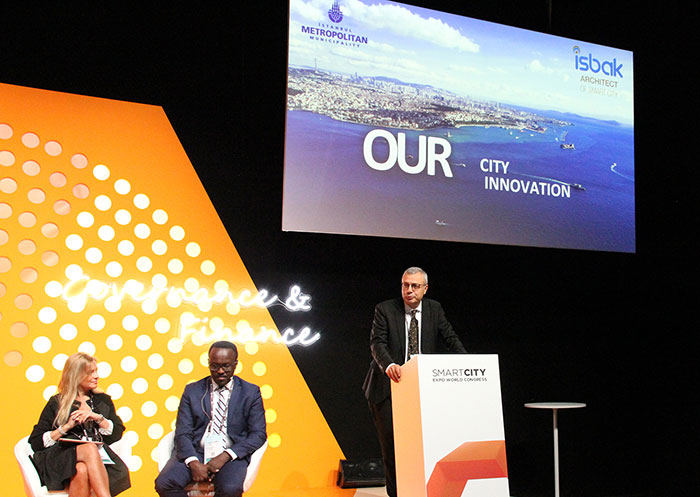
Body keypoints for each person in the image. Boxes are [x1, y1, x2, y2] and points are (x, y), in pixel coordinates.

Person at [362, 267, 467, 497]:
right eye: (405, 285)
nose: (409, 290)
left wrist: (468, 363)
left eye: (415, 286)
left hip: (422, 390)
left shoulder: (434, 309)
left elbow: (450, 338)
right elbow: (377, 343)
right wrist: (389, 365)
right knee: (392, 450)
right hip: (387, 389)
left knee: (422, 447)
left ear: (425, 289)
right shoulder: (385, 309)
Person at [155, 341, 267, 497]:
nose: (220, 371)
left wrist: (225, 456)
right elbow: (182, 432)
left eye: (226, 366)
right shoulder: (192, 391)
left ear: (235, 364)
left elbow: (258, 434)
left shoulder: (250, 392)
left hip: (230, 455)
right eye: (214, 366)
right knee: (164, 483)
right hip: (196, 451)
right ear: (208, 363)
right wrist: (192, 461)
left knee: (230, 489)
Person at [29, 352, 131, 497]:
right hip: (60, 458)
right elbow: (36, 442)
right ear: (76, 375)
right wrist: (66, 427)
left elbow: (116, 434)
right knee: (89, 448)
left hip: (96, 460)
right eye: (91, 372)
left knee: (81, 470)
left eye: (96, 371)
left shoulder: (102, 400)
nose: (97, 376)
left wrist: (98, 418)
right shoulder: (57, 402)